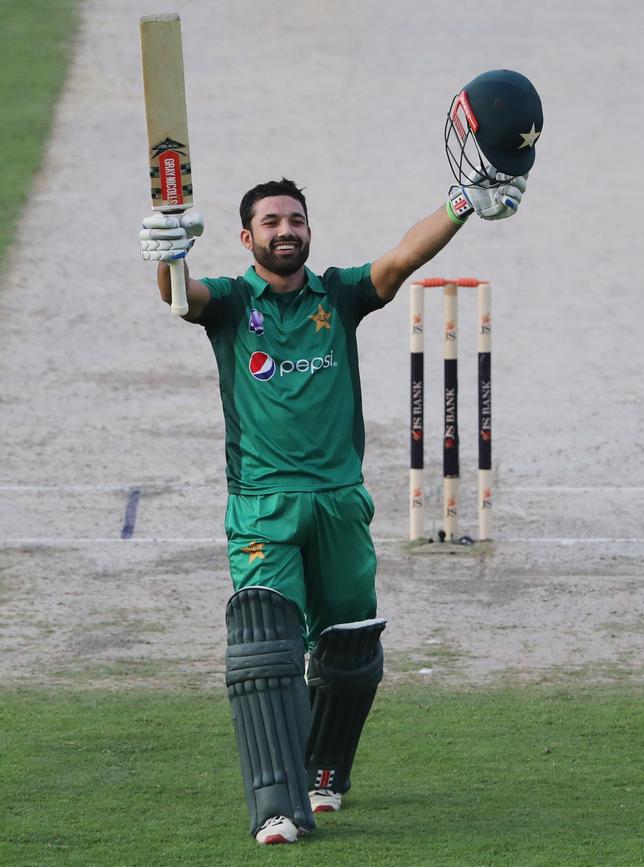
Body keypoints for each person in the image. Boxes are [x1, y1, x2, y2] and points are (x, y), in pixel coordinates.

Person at [140, 69, 542, 846]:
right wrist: (165, 257)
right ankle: (276, 804)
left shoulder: (336, 296)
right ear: (247, 235)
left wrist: (465, 200)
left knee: (352, 652)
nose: (285, 229)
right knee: (267, 645)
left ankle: (325, 770)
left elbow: (398, 260)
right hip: (263, 503)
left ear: (308, 231)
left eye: (295, 219)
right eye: (270, 221)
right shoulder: (229, 303)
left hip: (340, 499)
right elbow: (179, 297)